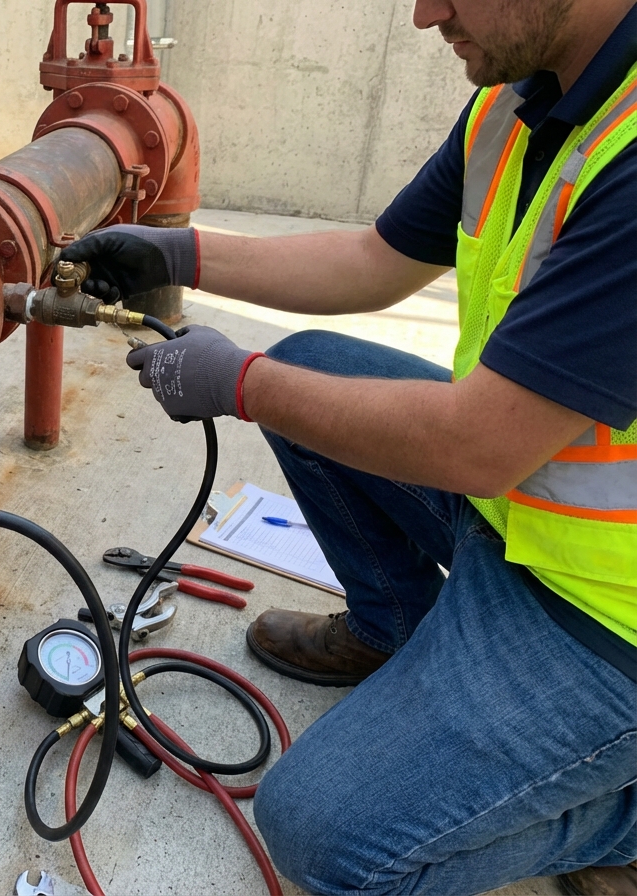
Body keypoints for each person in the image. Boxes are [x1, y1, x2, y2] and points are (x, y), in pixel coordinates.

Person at [61, 0, 637, 892]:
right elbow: (374, 263)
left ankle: (615, 815)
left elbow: (478, 446)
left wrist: (239, 385)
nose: (423, 15)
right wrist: (180, 253)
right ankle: (395, 628)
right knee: (310, 368)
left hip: (604, 614)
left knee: (325, 836)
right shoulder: (524, 97)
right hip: (520, 509)